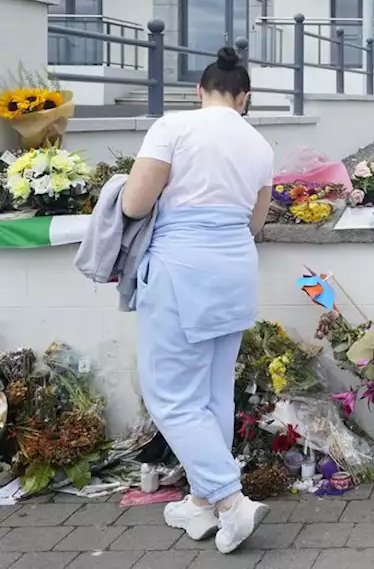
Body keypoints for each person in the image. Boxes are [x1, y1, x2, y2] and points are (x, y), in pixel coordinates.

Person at [122, 46, 275, 554]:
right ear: (244, 97)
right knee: (213, 393)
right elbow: (256, 223)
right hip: (234, 266)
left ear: (199, 91)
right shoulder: (259, 145)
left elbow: (135, 202)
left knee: (169, 392)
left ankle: (231, 501)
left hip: (181, 264)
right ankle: (202, 502)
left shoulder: (172, 128)